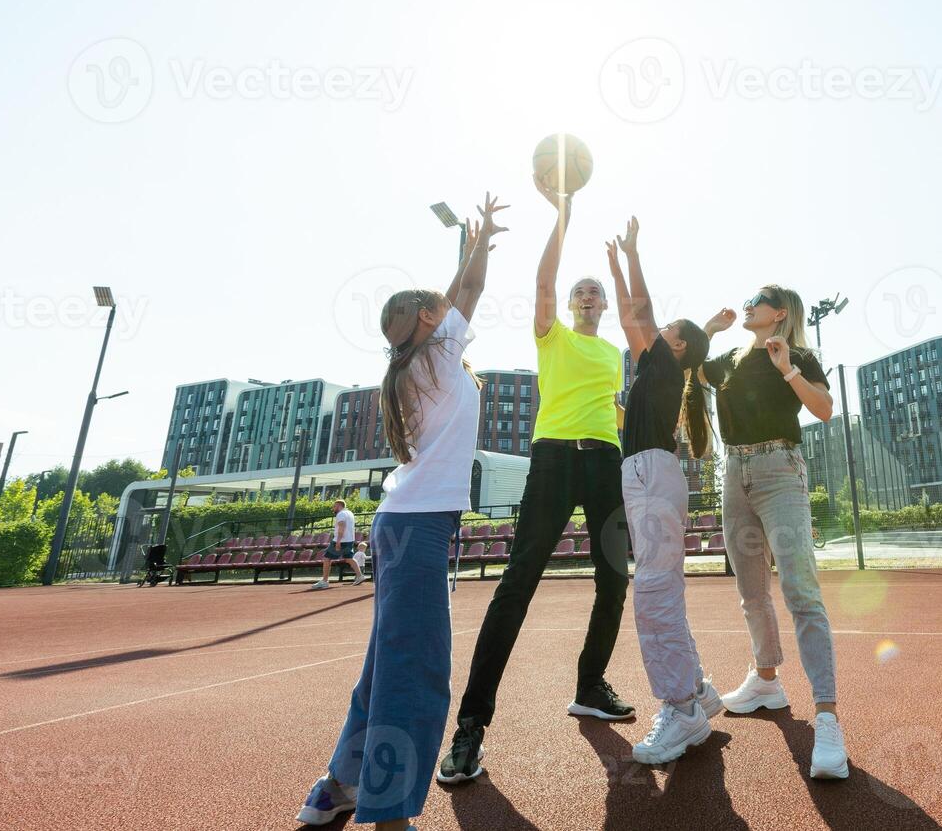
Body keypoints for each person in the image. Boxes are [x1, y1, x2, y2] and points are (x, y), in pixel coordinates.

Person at [296, 194, 506, 831]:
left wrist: (474, 246)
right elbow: (466, 285)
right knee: (414, 673)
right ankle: (389, 815)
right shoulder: (436, 355)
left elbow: (456, 291)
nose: (450, 310)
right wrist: (477, 246)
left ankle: (339, 787)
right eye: (436, 308)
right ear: (424, 318)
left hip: (404, 524)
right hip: (414, 528)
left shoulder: (414, 361)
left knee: (387, 666)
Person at [437, 175, 633, 785]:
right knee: (518, 581)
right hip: (552, 459)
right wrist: (564, 216)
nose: (586, 293)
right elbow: (545, 281)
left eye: (594, 290)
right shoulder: (552, 336)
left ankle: (589, 684)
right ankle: (471, 727)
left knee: (614, 577)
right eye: (581, 289)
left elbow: (619, 402)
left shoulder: (613, 354)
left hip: (604, 461)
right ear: (570, 305)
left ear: (603, 305)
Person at [699, 286, 849, 780]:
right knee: (750, 591)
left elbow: (824, 409)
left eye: (758, 299)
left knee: (799, 590)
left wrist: (788, 368)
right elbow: (688, 369)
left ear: (779, 313)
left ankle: (827, 718)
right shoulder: (730, 358)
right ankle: (766, 680)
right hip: (733, 473)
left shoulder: (799, 353)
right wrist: (707, 333)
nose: (748, 304)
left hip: (779, 469)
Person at [604, 217, 722, 765]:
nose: (648, 331)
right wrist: (615, 262)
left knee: (653, 592)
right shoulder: (662, 371)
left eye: (662, 329)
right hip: (651, 472)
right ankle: (695, 690)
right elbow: (636, 315)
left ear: (674, 344)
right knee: (662, 585)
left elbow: (639, 311)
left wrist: (631, 254)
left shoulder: (664, 363)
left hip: (649, 473)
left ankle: (681, 708)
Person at [311, 499, 360, 589]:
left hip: (341, 540)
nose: (333, 508)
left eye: (334, 506)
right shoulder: (350, 513)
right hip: (349, 540)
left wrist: (338, 541)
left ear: (338, 506)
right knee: (349, 558)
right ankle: (360, 576)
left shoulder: (341, 514)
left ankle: (324, 581)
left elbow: (342, 527)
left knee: (327, 558)